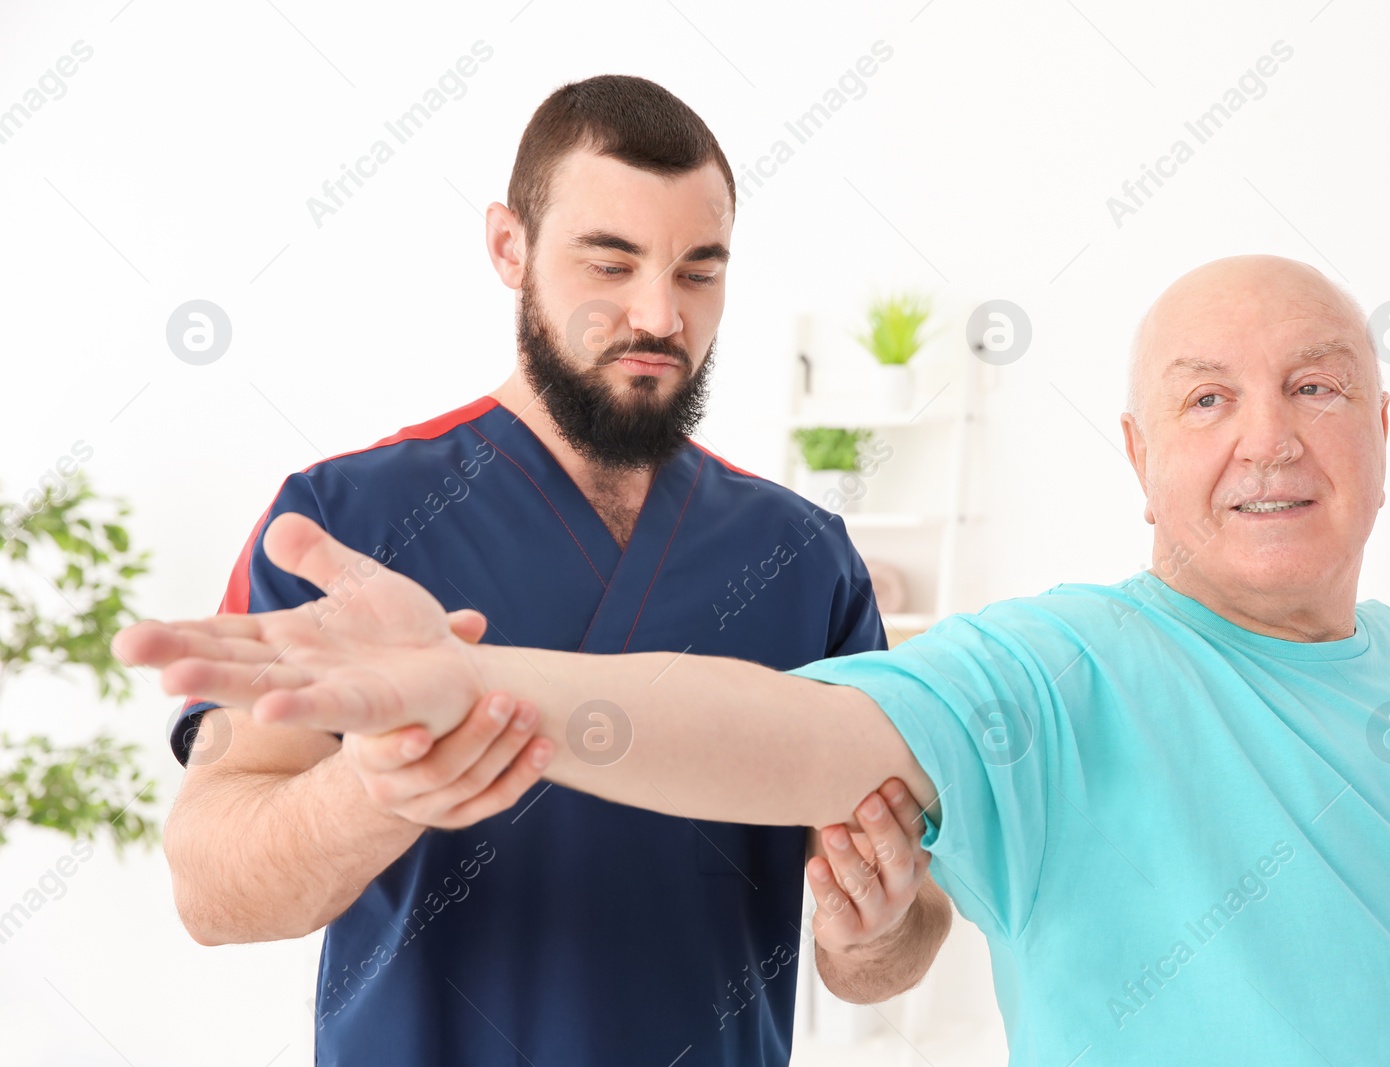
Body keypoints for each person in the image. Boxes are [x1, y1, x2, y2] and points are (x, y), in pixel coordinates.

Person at [124, 255, 1390, 1065]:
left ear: (1385, 436)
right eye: (1208, 398)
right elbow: (769, 731)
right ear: (1143, 460)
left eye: (1318, 386)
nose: (1268, 435)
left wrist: (871, 923)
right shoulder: (1059, 672)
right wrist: (473, 684)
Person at [159, 74, 951, 1067]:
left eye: (698, 271)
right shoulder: (337, 523)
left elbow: (909, 931)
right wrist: (376, 787)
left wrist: (872, 927)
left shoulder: (803, 557)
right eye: (609, 264)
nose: (659, 315)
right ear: (508, 246)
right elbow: (209, 887)